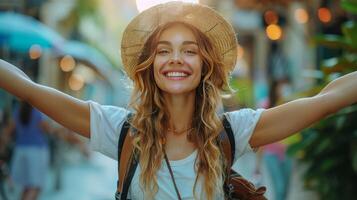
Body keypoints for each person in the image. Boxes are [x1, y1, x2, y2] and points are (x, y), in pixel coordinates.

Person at [0, 1, 356, 199]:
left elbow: (326, 100)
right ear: (150, 65)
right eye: (163, 51)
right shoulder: (120, 130)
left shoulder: (234, 130)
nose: (175, 59)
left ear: (204, 66)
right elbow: (30, 89)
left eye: (189, 51)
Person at [2, 101, 51, 200]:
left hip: (20, 151)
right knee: (35, 187)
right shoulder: (38, 111)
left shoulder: (18, 111)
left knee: (26, 187)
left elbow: (7, 132)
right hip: (37, 151)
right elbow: (48, 129)